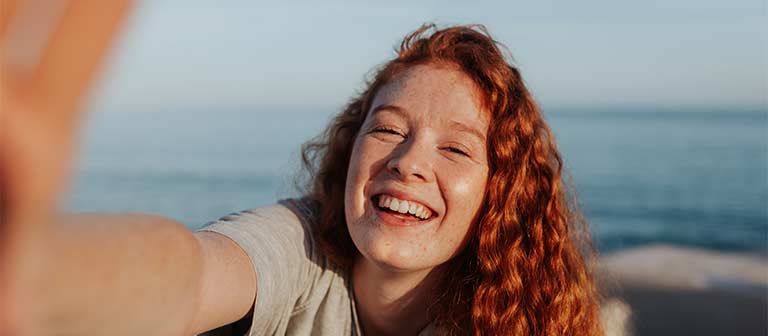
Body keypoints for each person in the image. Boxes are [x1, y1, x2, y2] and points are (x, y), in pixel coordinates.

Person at [1, 3, 603, 335]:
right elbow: (190, 275)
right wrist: (37, 267)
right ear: (350, 153)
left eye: (456, 149)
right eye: (388, 128)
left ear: (498, 193)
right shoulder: (300, 248)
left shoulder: (521, 318)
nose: (408, 161)